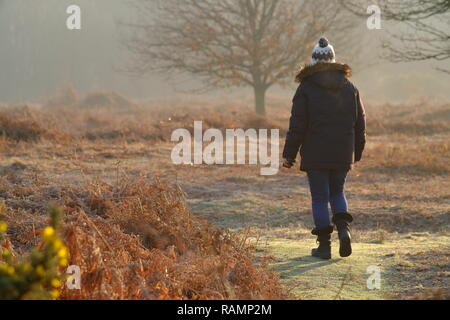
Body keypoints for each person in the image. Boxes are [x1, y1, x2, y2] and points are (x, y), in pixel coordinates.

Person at [282, 37, 366, 260]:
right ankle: (344, 230)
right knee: (337, 192)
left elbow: (297, 124)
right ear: (333, 59)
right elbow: (360, 123)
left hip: (315, 153)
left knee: (320, 197)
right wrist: (357, 151)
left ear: (314, 61)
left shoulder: (306, 88)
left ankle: (324, 247)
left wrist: (288, 155)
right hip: (341, 152)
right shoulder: (350, 88)